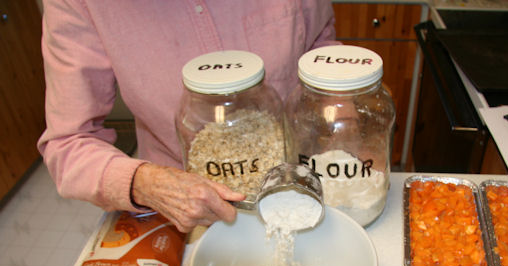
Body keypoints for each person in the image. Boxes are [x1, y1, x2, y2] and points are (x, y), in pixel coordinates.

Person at [38, 0, 339, 232]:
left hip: (296, 187)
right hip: (183, 212)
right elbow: (68, 141)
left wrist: (343, 102)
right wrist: (147, 184)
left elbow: (319, 44)